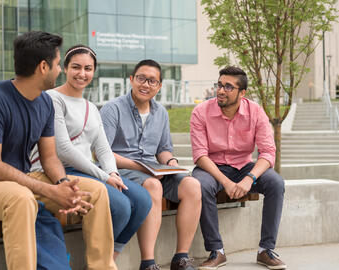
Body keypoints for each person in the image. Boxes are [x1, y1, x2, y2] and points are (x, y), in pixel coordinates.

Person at [0, 31, 116, 270]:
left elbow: (49, 157)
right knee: (21, 199)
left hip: (23, 178)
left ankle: (102, 267)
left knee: (96, 191)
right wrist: (50, 190)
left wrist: (63, 185)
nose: (60, 70)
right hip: (0, 181)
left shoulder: (45, 103)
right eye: (59, 64)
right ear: (43, 67)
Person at [31, 44, 152, 258]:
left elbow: (103, 148)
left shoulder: (91, 107)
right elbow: (64, 149)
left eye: (88, 68)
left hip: (86, 170)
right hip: (57, 171)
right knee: (121, 206)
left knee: (142, 199)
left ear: (94, 72)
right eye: (76, 67)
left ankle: (108, 258)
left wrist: (113, 173)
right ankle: (99, 261)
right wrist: (104, 177)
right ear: (65, 68)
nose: (82, 73)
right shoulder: (52, 99)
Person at [100, 59, 202, 270]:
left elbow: (163, 149)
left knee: (192, 185)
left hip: (153, 170)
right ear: (131, 79)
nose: (145, 84)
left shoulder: (161, 113)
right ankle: (148, 263)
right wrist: (143, 168)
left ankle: (180, 257)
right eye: (141, 78)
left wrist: (171, 163)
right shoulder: (112, 109)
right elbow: (104, 153)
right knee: (153, 186)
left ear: (159, 86)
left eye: (152, 81)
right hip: (124, 170)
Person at [190, 66, 286, 270]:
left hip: (244, 167)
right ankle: (217, 251)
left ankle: (265, 250)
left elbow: (268, 152)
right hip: (212, 168)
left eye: (228, 87)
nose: (221, 91)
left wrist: (249, 178)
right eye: (219, 85)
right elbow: (200, 155)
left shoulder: (256, 112)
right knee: (199, 184)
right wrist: (225, 181)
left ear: (242, 93)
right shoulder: (201, 112)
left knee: (276, 183)